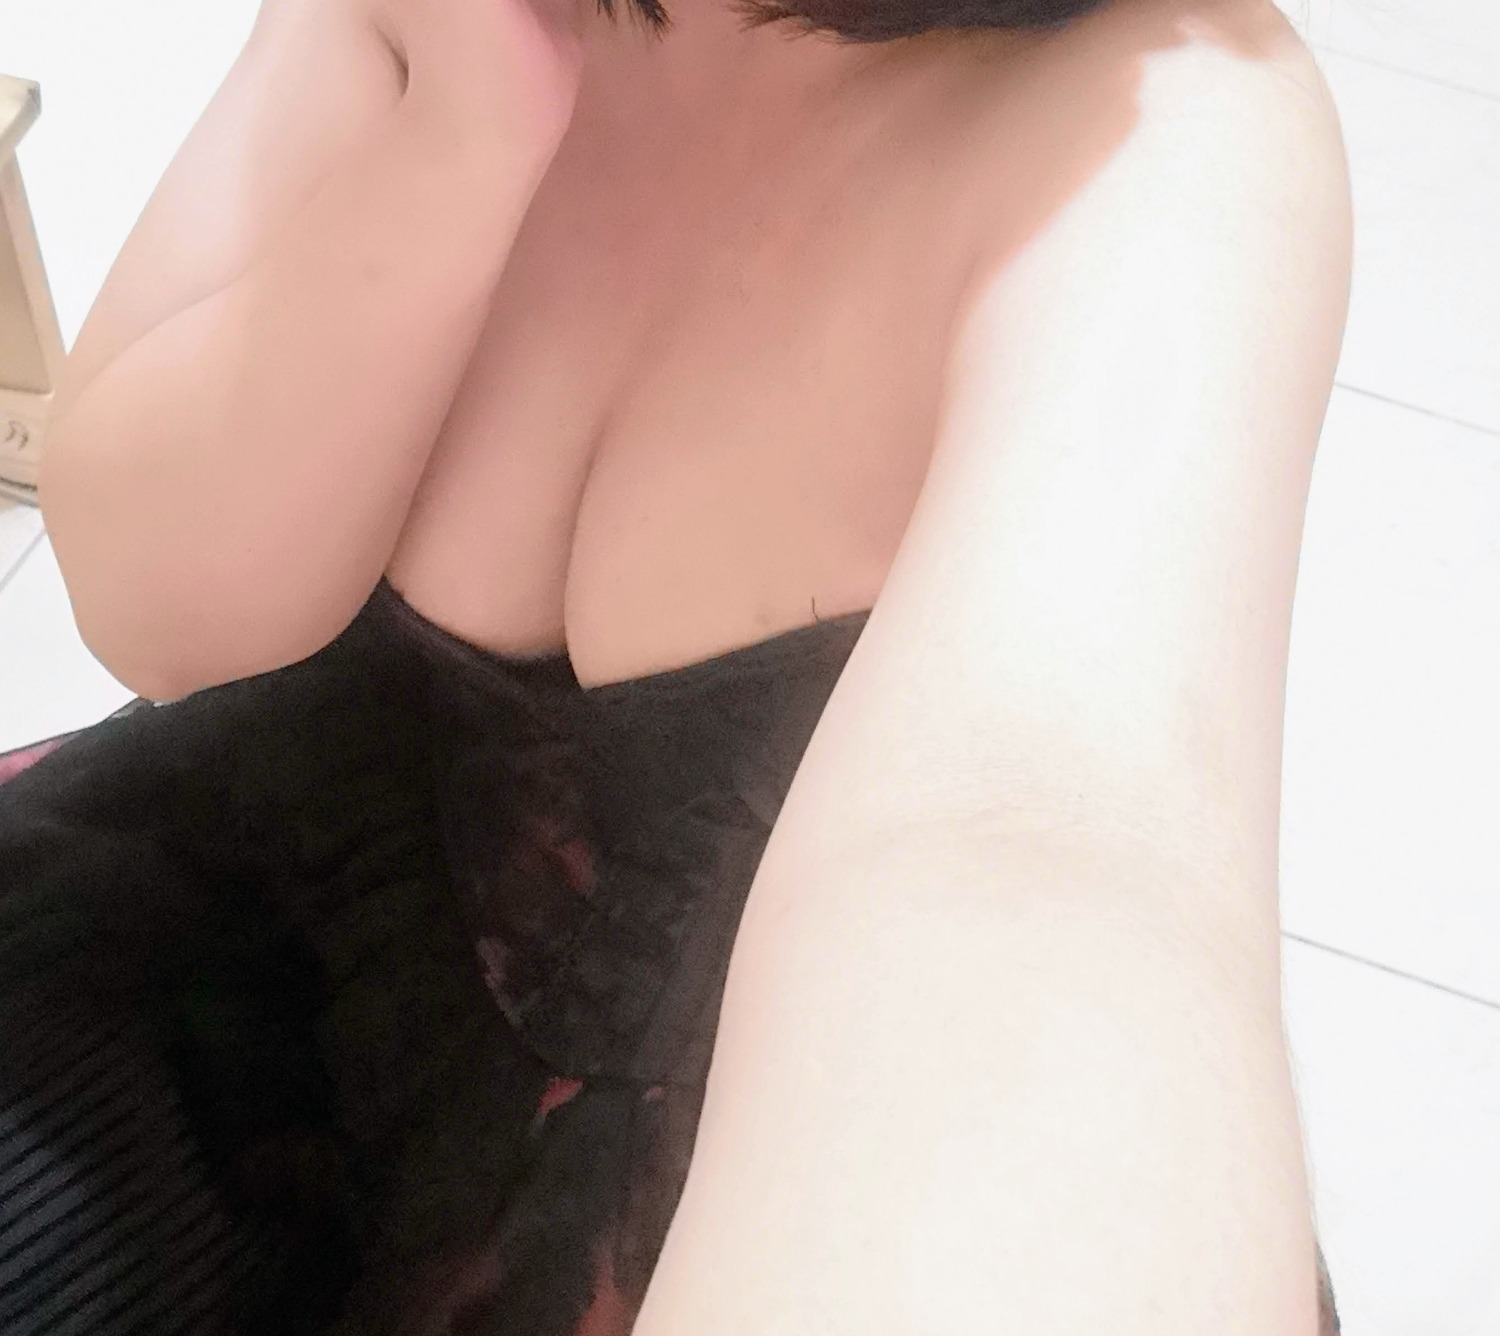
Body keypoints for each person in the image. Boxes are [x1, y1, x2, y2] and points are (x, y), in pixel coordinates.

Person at [2, 0, 1347, 1330]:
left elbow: (1048, 868)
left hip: (660, 1218)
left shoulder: (1172, 136)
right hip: (183, 990)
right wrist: (468, 129)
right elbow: (154, 613)